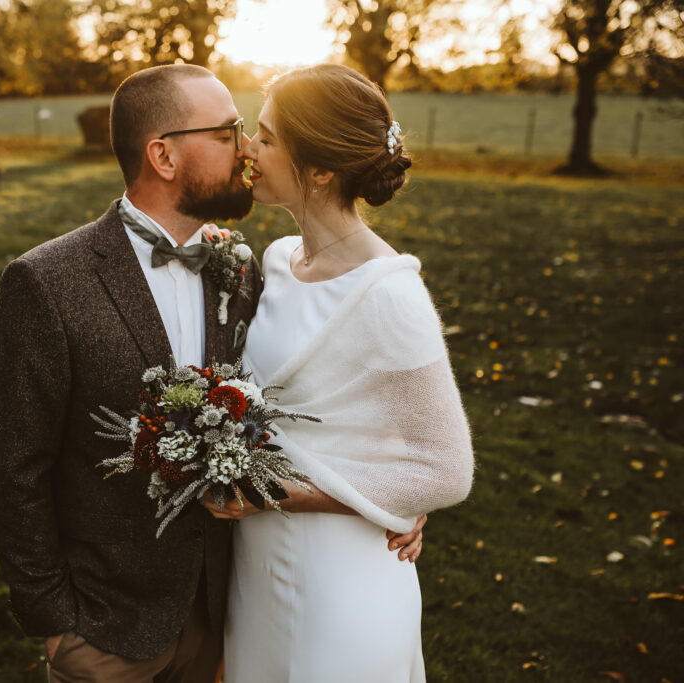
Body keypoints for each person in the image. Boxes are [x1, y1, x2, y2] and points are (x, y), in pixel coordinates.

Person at [0, 64, 425, 683]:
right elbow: (16, 468)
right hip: (104, 629)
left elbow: (327, 390)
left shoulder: (242, 269)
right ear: (163, 156)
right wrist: (55, 621)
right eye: (226, 133)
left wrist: (396, 492)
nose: (245, 149)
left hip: (229, 614)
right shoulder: (47, 283)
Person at [202, 64, 475, 681]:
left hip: (340, 579)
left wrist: (282, 495)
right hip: (260, 570)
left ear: (320, 171)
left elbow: (446, 470)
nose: (247, 146)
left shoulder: (390, 296)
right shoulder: (276, 261)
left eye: (267, 138)